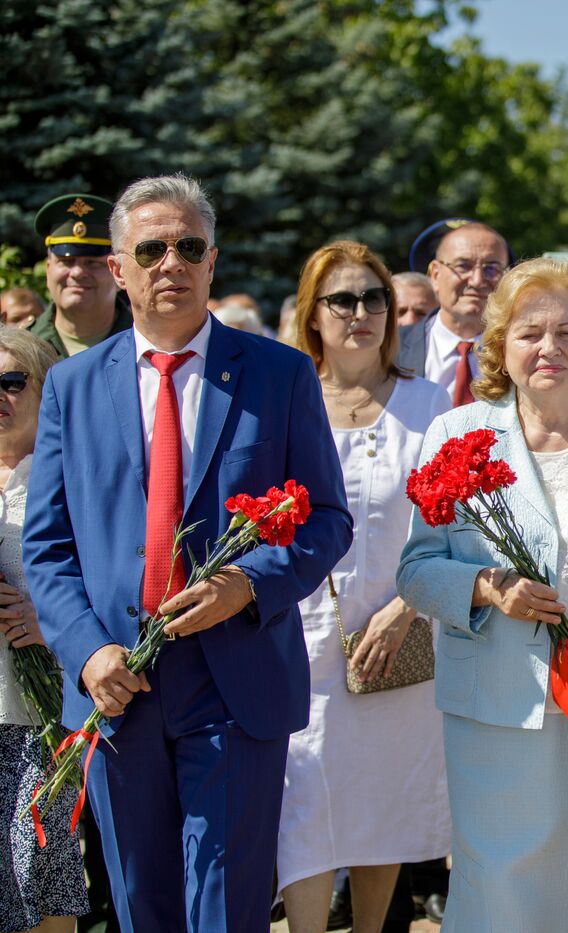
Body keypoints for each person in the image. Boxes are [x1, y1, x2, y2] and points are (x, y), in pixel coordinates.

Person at [23, 173, 352, 932]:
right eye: (151, 248)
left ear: (212, 260)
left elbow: (328, 519)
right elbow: (48, 547)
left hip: (234, 677)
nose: (171, 261)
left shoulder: (278, 373)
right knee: (144, 902)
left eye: (189, 246)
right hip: (117, 685)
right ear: (119, 268)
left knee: (228, 902)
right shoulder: (72, 386)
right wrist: (87, 650)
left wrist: (248, 582)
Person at [397, 258, 568, 932]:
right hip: (496, 706)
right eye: (529, 333)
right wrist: (488, 587)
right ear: (500, 346)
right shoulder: (456, 433)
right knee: (501, 882)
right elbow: (417, 569)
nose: (548, 348)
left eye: (567, 333)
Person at [277, 242, 451, 933]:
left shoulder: (428, 402)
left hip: (398, 637)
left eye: (373, 298)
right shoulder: (286, 397)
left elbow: (450, 526)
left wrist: (406, 609)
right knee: (305, 805)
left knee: (386, 807)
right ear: (312, 314)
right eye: (341, 299)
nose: (360, 312)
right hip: (300, 640)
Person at [0, 327, 88, 933]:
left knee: (38, 861)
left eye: (12, 381)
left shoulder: (71, 477)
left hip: (43, 708)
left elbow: (105, 583)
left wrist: (48, 621)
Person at [396, 220, 512, 406]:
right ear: (435, 275)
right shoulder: (391, 349)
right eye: (463, 266)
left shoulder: (521, 351)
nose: (476, 280)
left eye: (491, 268)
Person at [29, 194, 132, 359]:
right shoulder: (21, 347)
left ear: (118, 272)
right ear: (48, 270)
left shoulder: (149, 343)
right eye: (66, 261)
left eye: (92, 263)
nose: (77, 272)